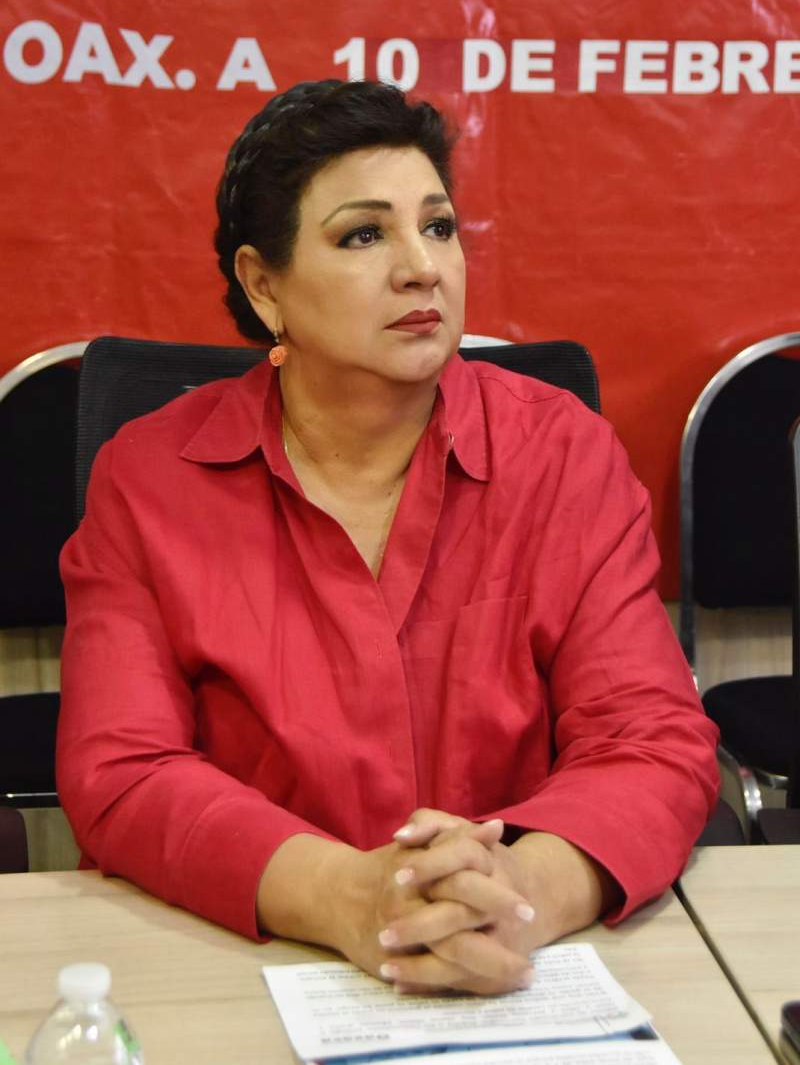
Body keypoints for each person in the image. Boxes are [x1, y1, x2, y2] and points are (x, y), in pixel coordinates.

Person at [57, 79, 719, 997]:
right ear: (263, 284)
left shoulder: (562, 452)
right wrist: (346, 897)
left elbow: (650, 740)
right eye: (364, 235)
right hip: (242, 962)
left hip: (519, 966)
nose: (422, 267)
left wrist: (520, 890)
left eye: (438, 227)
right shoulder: (150, 479)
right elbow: (123, 770)